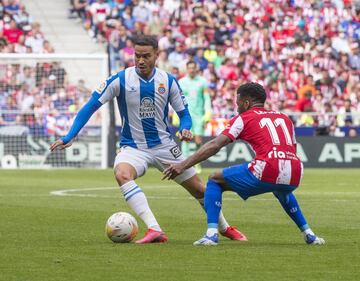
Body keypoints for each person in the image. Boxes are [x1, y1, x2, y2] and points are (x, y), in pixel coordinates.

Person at [50, 35, 245, 244]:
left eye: (146, 56)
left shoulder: (168, 81)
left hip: (164, 146)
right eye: (137, 56)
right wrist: (71, 135)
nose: (141, 60)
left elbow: (184, 114)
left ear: (156, 55)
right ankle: (154, 229)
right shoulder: (120, 80)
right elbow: (91, 105)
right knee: (122, 174)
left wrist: (186, 128)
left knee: (198, 189)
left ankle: (224, 227)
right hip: (133, 147)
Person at [163, 82, 325, 246]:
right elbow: (291, 147)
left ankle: (211, 234)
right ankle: (309, 234)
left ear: (246, 103)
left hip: (268, 166)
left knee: (214, 179)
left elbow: (215, 145)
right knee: (281, 189)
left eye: (238, 102)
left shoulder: (243, 118)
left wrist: (182, 165)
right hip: (295, 170)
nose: (236, 106)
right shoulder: (284, 118)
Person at [178, 60, 212, 174]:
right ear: (187, 69)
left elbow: (207, 98)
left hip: (199, 116)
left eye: (193, 67)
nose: (192, 70)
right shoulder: (181, 82)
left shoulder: (202, 82)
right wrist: (174, 113)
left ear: (196, 68)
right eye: (190, 68)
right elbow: (177, 99)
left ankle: (197, 162)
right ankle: (185, 164)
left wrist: (208, 112)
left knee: (198, 140)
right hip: (186, 115)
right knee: (185, 139)